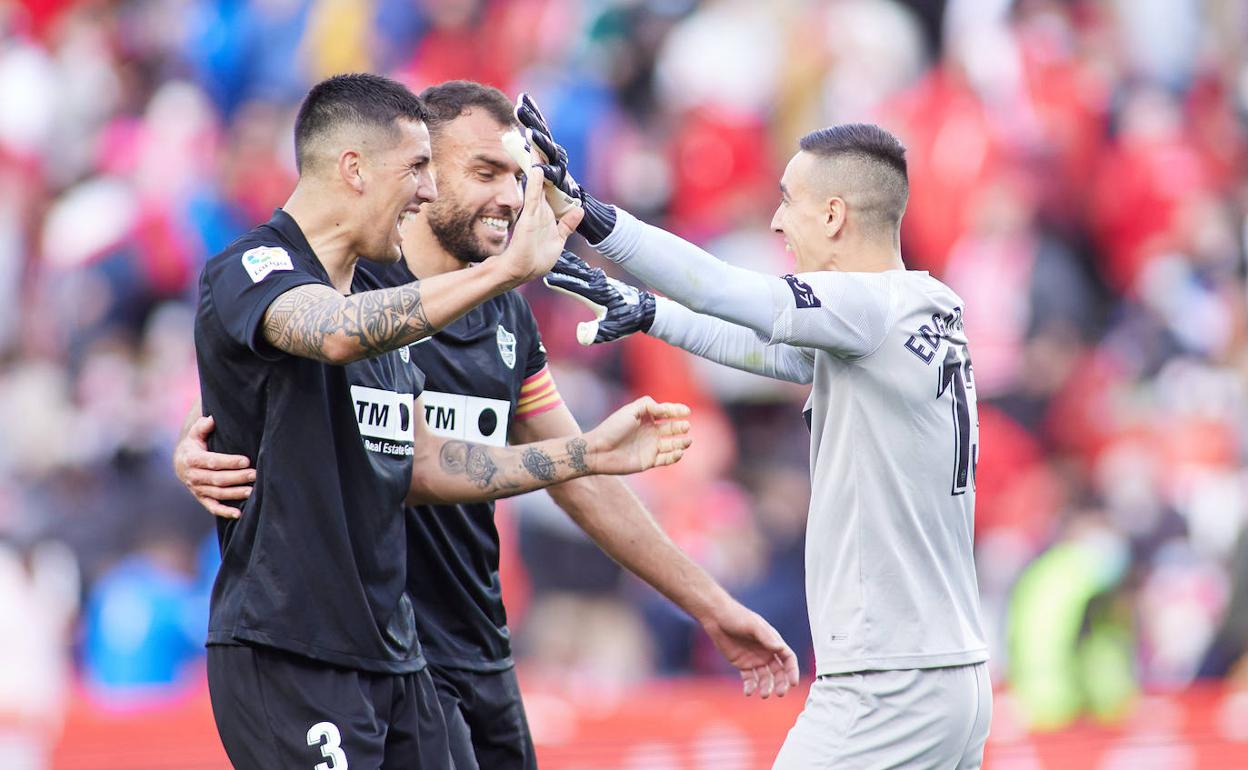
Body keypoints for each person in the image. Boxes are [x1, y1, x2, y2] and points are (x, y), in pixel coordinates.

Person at [178, 80, 799, 770]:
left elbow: (431, 459)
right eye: (483, 172)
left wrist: (704, 597)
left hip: (446, 649)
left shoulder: (501, 316)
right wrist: (199, 434)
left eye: (519, 175)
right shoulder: (335, 285)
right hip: (315, 647)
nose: (510, 196)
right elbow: (304, 345)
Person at [524, 95, 992, 769]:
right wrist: (651, 313)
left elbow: (725, 291)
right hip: (953, 676)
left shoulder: (867, 305)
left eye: (790, 201)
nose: (777, 221)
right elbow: (769, 350)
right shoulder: (925, 305)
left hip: (886, 683)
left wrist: (596, 219)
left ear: (834, 214)